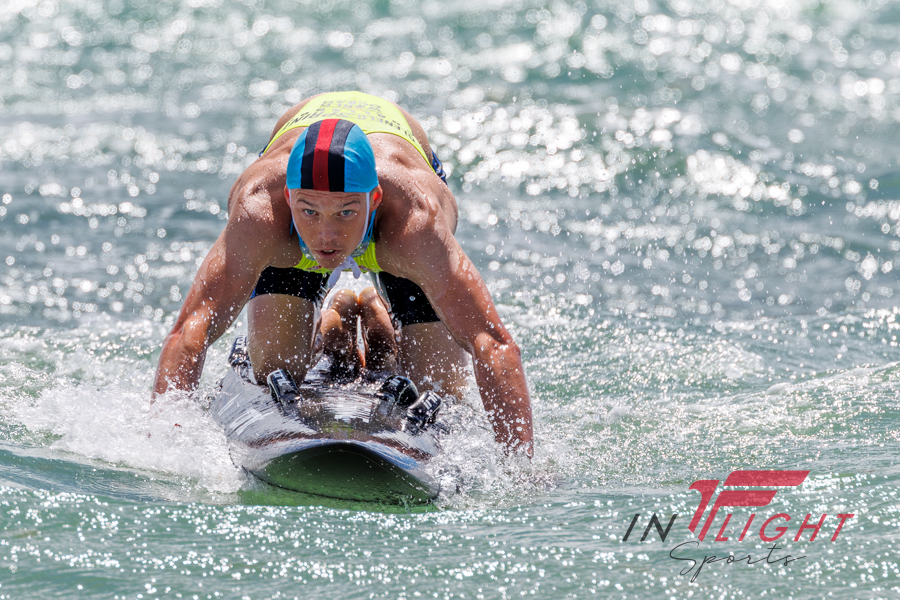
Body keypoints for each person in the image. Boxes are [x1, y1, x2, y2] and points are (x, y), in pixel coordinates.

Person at [153, 91, 533, 456]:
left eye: (346, 212)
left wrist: (522, 471)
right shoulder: (261, 216)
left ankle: (380, 323)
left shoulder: (415, 226)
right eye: (310, 212)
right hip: (300, 154)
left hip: (399, 164)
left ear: (374, 199)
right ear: (288, 198)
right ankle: (332, 327)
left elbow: (494, 344)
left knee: (442, 389)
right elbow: (190, 331)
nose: (326, 235)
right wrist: (166, 446)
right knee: (274, 370)